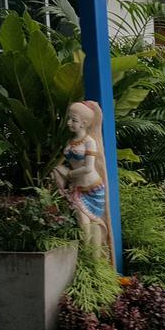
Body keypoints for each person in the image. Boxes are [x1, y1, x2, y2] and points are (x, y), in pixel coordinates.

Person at [53, 100, 113, 264]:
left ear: (85, 123)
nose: (69, 123)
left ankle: (92, 259)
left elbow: (88, 168)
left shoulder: (89, 142)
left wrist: (69, 174)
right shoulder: (70, 142)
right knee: (82, 222)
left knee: (90, 223)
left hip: (93, 189)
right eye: (69, 119)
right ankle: (87, 259)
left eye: (74, 120)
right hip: (77, 188)